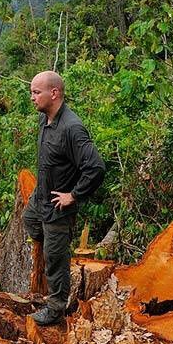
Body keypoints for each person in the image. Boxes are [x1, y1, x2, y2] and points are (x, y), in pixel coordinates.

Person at [24, 70, 105, 325]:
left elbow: (96, 167)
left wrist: (74, 195)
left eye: (37, 92)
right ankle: (48, 259)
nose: (32, 97)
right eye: (32, 92)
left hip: (59, 207)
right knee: (30, 221)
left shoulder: (72, 128)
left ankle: (56, 308)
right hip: (41, 199)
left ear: (54, 93)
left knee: (55, 258)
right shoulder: (46, 119)